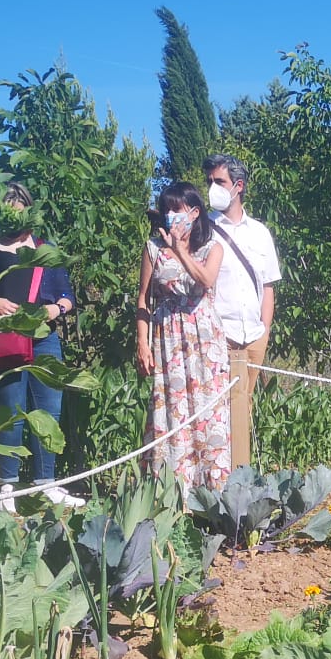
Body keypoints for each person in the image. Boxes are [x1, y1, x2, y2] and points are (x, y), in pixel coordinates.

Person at [0, 183, 82, 508]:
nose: (15, 215)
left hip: (44, 338)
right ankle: (8, 487)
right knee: (10, 411)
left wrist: (56, 308)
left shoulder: (44, 249)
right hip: (7, 336)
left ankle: (46, 482)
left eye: (19, 207)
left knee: (48, 410)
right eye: (8, 208)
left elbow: (68, 295)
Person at [136, 180, 230, 491]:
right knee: (172, 412)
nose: (171, 217)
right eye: (167, 211)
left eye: (177, 211)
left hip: (205, 340)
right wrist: (142, 343)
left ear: (194, 212)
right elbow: (143, 300)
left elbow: (205, 279)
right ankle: (174, 492)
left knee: (209, 412)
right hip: (168, 340)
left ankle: (212, 492)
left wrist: (180, 251)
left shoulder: (212, 247)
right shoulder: (153, 249)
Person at [203, 154, 281, 468]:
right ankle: (214, 475)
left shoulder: (260, 232)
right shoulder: (203, 229)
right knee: (214, 409)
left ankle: (240, 473)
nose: (212, 188)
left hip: (253, 336)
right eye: (209, 182)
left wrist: (264, 330)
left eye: (219, 182)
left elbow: (268, 286)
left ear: (238, 186)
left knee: (244, 405)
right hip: (217, 336)